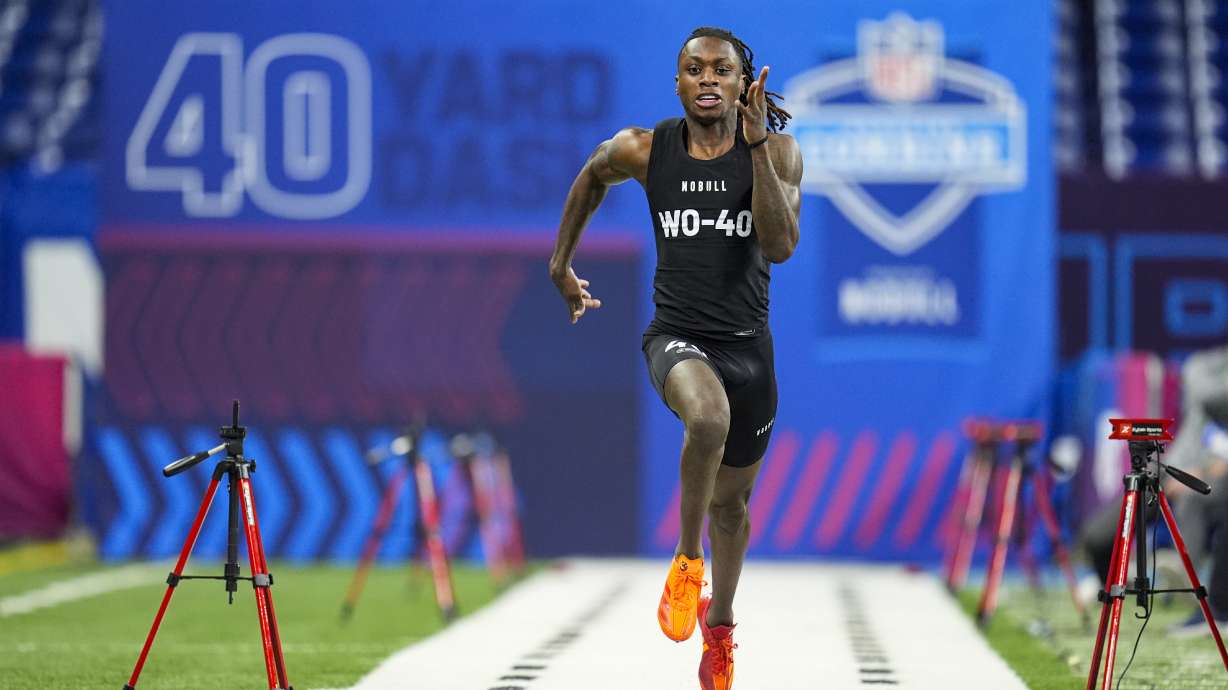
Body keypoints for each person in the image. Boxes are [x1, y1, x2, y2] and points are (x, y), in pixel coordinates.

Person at [548, 26, 801, 690]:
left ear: (745, 83)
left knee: (733, 508)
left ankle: (719, 629)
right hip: (677, 338)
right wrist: (561, 265)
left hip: (751, 353)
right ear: (679, 83)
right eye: (695, 69)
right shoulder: (645, 148)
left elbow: (779, 246)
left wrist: (754, 150)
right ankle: (687, 564)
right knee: (707, 419)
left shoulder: (777, 152)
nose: (709, 79)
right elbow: (590, 177)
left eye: (723, 69)